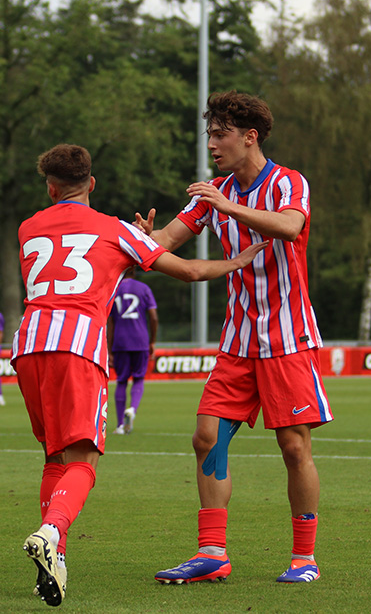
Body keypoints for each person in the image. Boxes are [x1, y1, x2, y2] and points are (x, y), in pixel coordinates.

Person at [14, 143, 266, 607]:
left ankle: (56, 559)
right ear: (92, 183)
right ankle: (52, 532)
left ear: (50, 188)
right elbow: (187, 269)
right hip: (78, 345)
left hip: (29, 342)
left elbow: (80, 263)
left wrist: (131, 247)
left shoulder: (28, 227)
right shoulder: (114, 229)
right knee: (84, 460)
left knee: (55, 456)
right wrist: (235, 262)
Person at [137, 91, 333, 586]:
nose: (212, 144)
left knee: (293, 446)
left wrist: (228, 205)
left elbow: (290, 227)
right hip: (238, 341)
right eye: (210, 134)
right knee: (207, 437)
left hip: (287, 338)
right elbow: (168, 243)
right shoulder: (213, 193)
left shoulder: (289, 182)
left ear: (250, 137)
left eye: (220, 134)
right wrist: (145, 238)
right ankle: (212, 553)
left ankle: (304, 557)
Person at [107, 267, 158, 435]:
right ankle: (132, 409)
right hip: (140, 340)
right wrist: (152, 341)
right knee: (138, 378)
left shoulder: (112, 290)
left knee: (121, 381)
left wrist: (109, 350)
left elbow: (111, 322)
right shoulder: (144, 288)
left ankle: (121, 425)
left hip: (120, 342)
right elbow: (154, 317)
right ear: (134, 271)